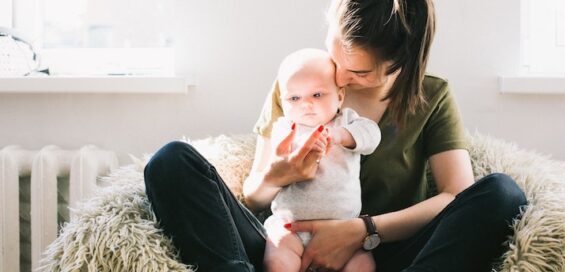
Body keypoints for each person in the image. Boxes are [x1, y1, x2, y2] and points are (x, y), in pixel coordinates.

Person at [143, 0, 528, 271]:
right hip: (284, 249)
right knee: (170, 162)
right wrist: (278, 176)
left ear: (402, 63)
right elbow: (253, 198)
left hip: (383, 255)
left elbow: (454, 197)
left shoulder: (432, 97)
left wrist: (362, 232)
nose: (340, 78)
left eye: (359, 73)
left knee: (503, 194)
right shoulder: (301, 84)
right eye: (336, 58)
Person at [262, 48, 379, 272]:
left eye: (317, 95)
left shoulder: (345, 121)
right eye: (294, 98)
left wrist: (342, 136)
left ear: (340, 96)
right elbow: (276, 161)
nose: (305, 104)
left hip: (343, 231)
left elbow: (372, 135)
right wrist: (284, 151)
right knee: (276, 260)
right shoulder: (285, 127)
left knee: (363, 265)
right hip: (291, 227)